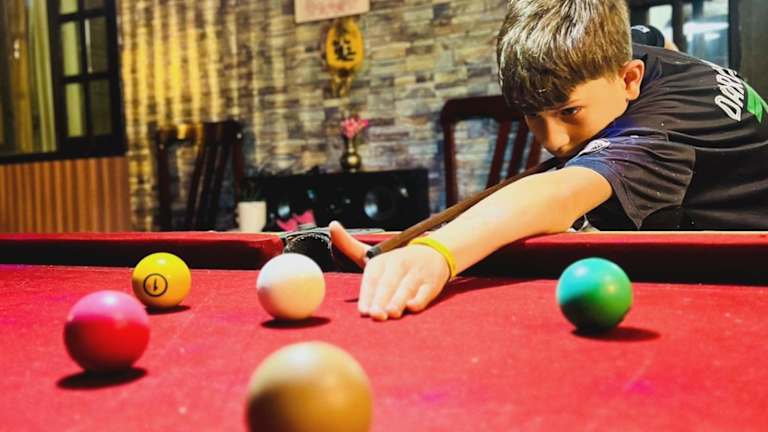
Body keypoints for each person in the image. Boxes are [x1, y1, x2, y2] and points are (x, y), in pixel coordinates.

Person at [331, 0, 768, 321]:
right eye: (532, 116)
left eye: (569, 111)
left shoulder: (654, 136)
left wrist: (438, 250)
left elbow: (558, 193)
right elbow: (658, 37)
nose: (553, 140)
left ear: (629, 79)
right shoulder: (633, 50)